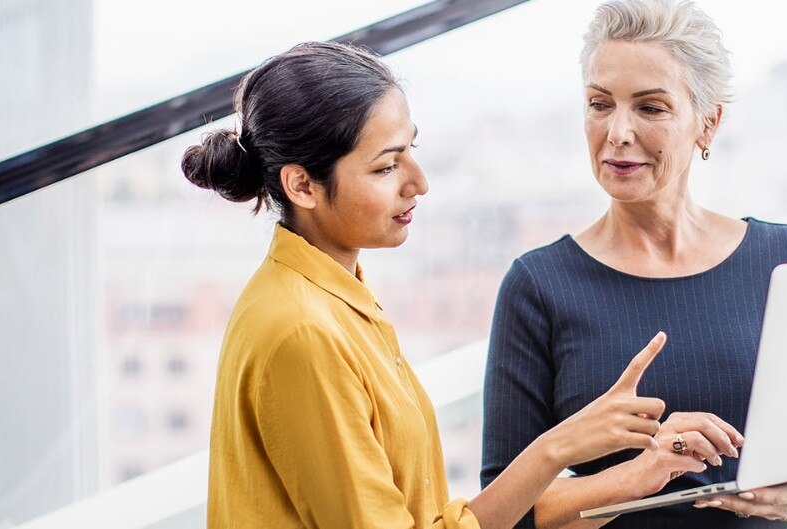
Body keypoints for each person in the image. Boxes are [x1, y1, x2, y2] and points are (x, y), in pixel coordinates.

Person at [183, 41, 672, 529]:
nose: (418, 182)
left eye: (409, 150)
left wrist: (628, 474)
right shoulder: (302, 331)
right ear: (302, 186)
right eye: (386, 166)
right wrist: (558, 446)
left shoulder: (335, 298)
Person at [480, 1, 787, 527]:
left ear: (708, 123)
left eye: (650, 108)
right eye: (600, 104)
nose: (618, 132)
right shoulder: (539, 287)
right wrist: (635, 478)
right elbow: (503, 511)